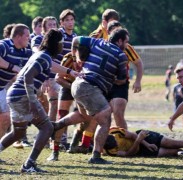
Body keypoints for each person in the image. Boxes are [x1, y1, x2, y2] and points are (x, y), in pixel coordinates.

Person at [1, 29, 78, 173]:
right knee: (47, 128)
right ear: (56, 44)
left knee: (18, 132)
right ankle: (28, 165)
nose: (62, 46)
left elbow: (51, 66)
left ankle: (28, 163)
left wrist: (69, 71)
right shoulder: (44, 57)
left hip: (14, 95)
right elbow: (28, 76)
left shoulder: (41, 55)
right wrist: (32, 100)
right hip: (23, 96)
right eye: (61, 43)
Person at [53, 28, 129, 164]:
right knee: (105, 120)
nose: (127, 45)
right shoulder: (121, 56)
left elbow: (76, 40)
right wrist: (111, 79)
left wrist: (75, 56)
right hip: (90, 87)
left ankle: (55, 126)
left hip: (77, 84)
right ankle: (96, 156)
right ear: (120, 41)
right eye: (126, 42)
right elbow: (122, 79)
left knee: (84, 116)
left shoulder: (96, 42)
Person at [66, 9, 121, 154]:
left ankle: (81, 145)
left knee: (92, 118)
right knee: (94, 117)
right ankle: (80, 144)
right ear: (105, 25)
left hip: (100, 84)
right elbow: (78, 46)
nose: (116, 30)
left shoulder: (119, 44)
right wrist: (76, 58)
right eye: (112, 27)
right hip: (87, 81)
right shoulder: (96, 38)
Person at [46, 9, 78, 161]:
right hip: (56, 76)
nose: (70, 22)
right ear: (62, 22)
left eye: (72, 19)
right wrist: (47, 77)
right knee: (59, 111)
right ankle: (51, 140)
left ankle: (68, 141)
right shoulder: (58, 35)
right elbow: (49, 56)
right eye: (67, 20)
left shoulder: (76, 37)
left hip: (72, 79)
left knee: (75, 113)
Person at [103, 127, 183, 157]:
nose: (117, 144)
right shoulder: (110, 152)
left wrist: (144, 141)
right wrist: (139, 143)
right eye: (115, 145)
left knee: (177, 143)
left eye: (116, 142)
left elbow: (133, 135)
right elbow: (129, 154)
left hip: (145, 138)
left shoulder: (114, 131)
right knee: (175, 153)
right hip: (139, 150)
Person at [0, 24, 31, 142]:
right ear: (18, 37)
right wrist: (13, 67)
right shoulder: (4, 45)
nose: (29, 38)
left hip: (1, 88)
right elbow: (14, 69)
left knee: (5, 118)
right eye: (27, 36)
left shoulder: (25, 52)